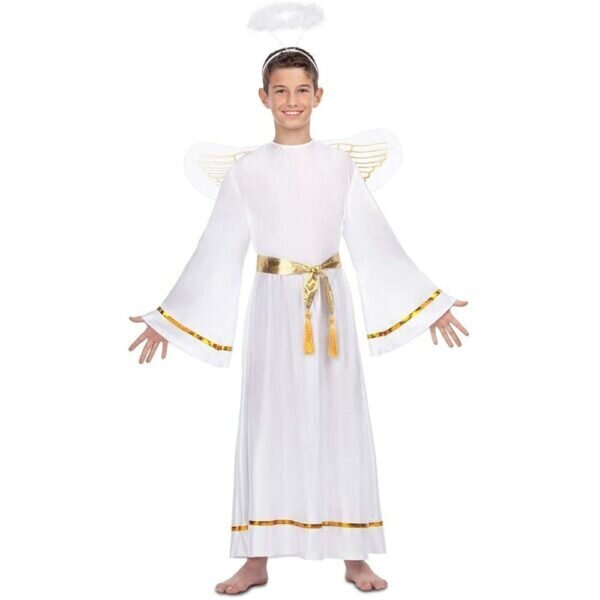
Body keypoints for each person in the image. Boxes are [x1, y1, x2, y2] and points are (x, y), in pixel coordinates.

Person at [128, 47, 469, 594]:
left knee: (340, 421)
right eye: (281, 91)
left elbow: (374, 240)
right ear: (264, 98)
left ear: (319, 96)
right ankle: (256, 559)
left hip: (329, 308)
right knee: (268, 426)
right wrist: (170, 319)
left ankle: (354, 555)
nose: (292, 101)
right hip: (272, 308)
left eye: (302, 90)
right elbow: (217, 248)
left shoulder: (339, 166)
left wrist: (427, 303)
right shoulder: (248, 171)